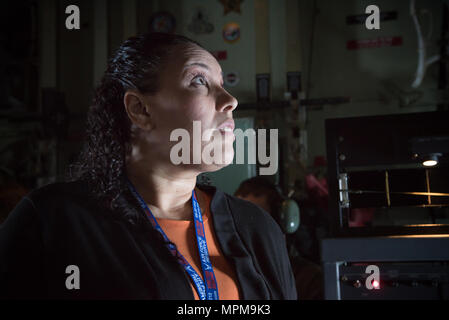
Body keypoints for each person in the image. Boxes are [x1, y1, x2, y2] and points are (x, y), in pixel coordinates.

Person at [0, 33, 296, 300]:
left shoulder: (256, 227)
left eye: (223, 84)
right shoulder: (54, 222)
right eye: (199, 81)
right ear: (139, 109)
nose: (230, 100)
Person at [235, 176, 324, 300]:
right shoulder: (229, 273)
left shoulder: (309, 280)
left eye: (255, 221)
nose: (245, 231)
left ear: (280, 225)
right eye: (239, 221)